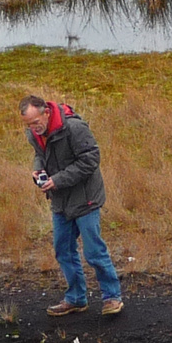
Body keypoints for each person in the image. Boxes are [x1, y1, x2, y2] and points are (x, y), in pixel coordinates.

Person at [19, 95, 123, 317]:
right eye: (29, 124)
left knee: (94, 251)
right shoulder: (34, 134)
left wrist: (58, 180)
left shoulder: (74, 128)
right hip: (60, 200)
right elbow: (40, 156)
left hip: (86, 197)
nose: (33, 128)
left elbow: (91, 159)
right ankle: (76, 298)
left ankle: (112, 297)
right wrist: (38, 170)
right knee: (63, 250)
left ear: (46, 112)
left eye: (36, 122)